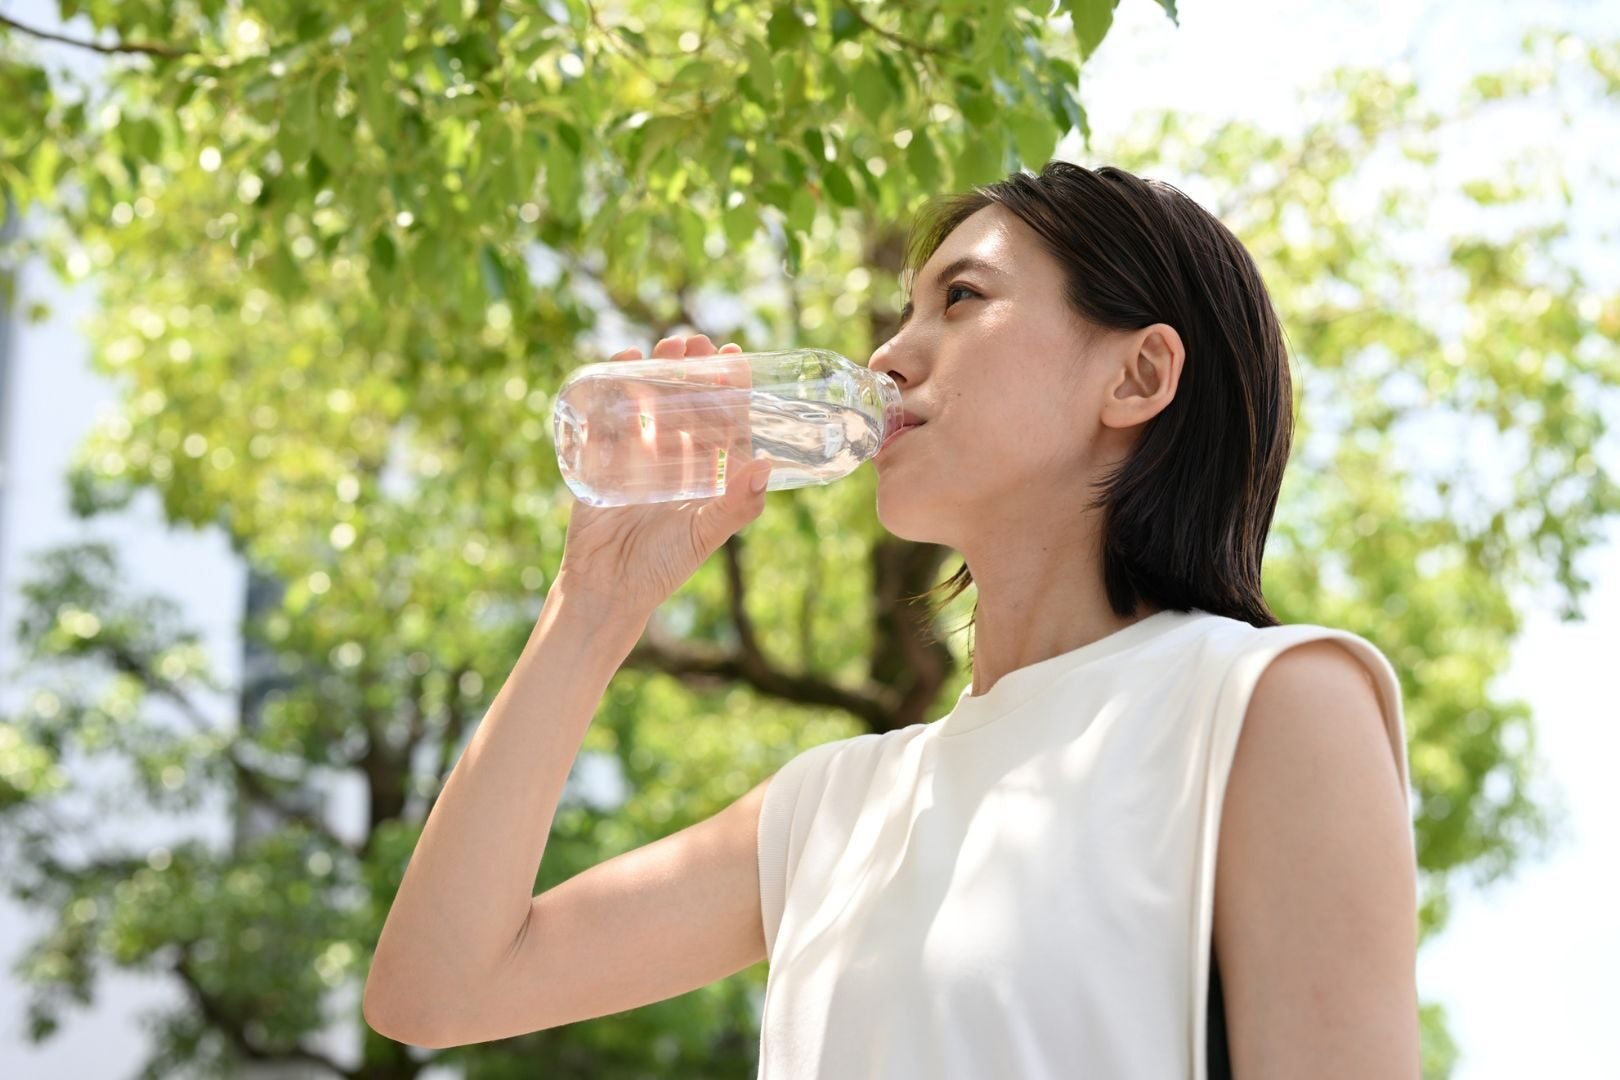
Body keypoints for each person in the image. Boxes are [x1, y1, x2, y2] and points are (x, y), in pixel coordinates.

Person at [362, 161, 1421, 1078]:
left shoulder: (1266, 704)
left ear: (1137, 375)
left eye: (961, 299)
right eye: (905, 309)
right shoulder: (833, 804)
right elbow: (437, 991)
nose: (888, 357)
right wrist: (593, 606)